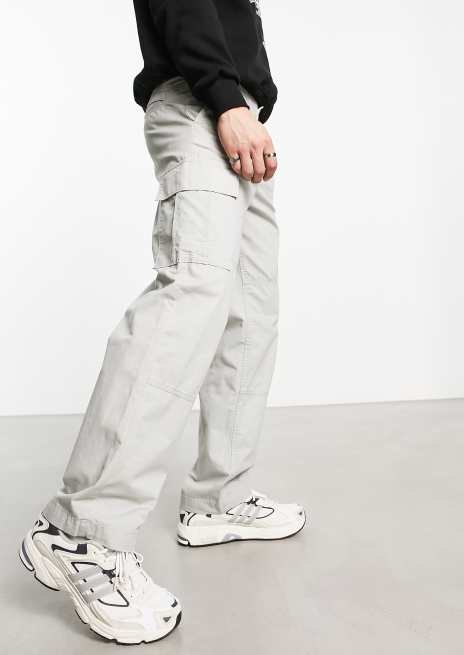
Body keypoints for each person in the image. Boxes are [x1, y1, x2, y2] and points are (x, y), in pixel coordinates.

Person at [19, 0, 305, 645]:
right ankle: (81, 532)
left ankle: (218, 500)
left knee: (249, 313)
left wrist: (244, 101)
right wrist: (226, 99)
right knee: (190, 297)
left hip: (235, 111)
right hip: (205, 107)